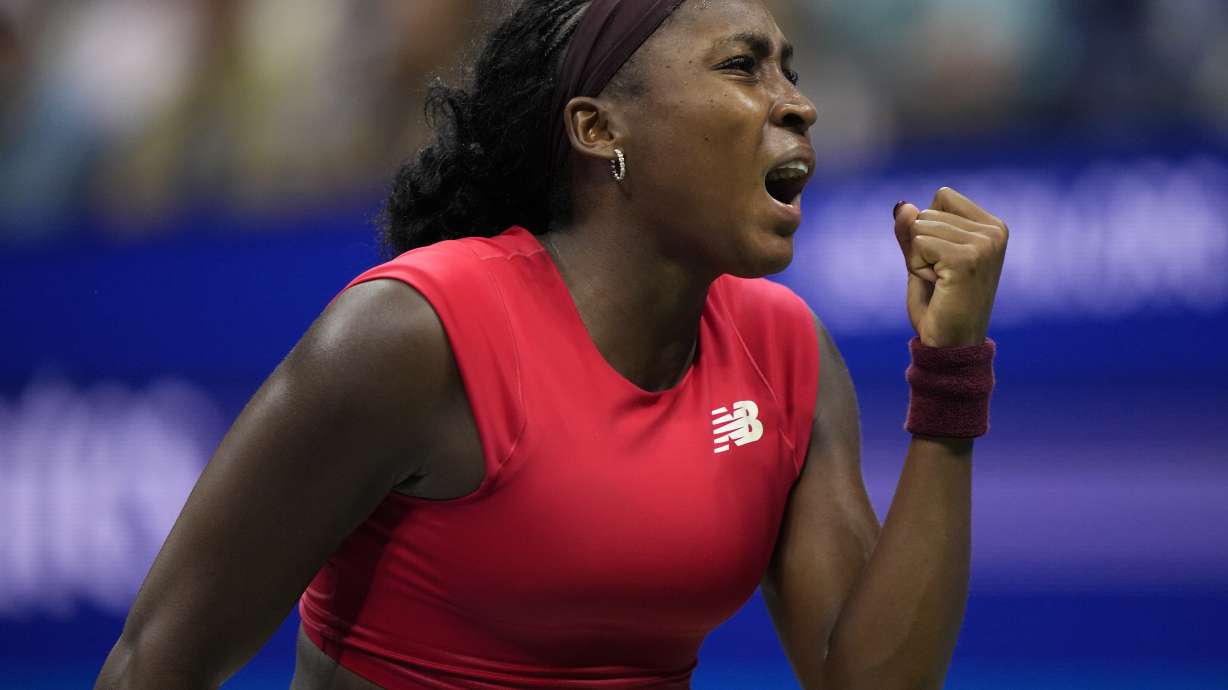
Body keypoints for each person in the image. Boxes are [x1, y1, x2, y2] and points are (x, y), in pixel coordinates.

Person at [94, 0, 1008, 688]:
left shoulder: (787, 352)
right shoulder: (414, 337)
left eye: (791, 70)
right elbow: (155, 663)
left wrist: (950, 373)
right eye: (744, 67)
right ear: (598, 128)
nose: (798, 104)